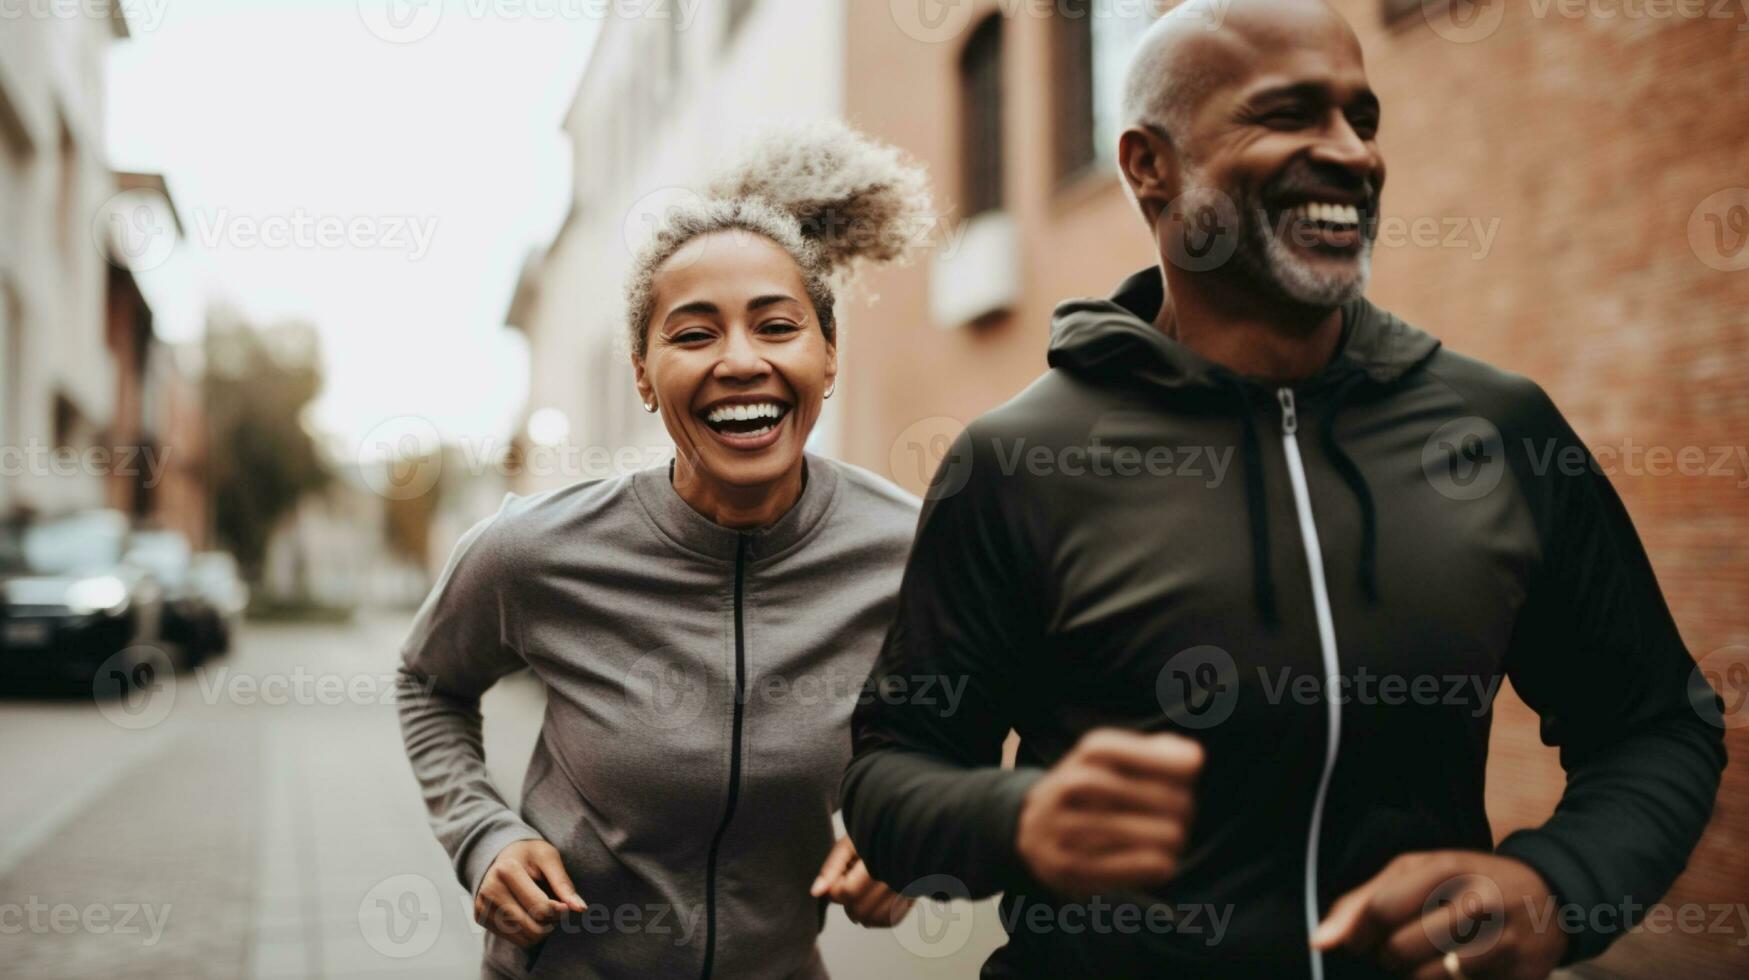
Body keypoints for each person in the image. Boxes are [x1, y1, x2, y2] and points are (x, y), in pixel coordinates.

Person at [840, 1, 1726, 978]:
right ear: (1148, 165)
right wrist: (1014, 818)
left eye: (1364, 118)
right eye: (1289, 114)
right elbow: (892, 771)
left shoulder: (1498, 431)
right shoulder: (1017, 459)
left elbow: (1657, 721)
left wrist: (1560, 884)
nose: (1353, 153)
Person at [397, 121, 932, 979]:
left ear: (828, 357)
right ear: (643, 375)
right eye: (692, 335)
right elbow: (427, 682)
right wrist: (482, 836)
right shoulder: (533, 551)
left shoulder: (908, 549)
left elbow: (968, 718)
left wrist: (911, 837)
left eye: (777, 326)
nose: (739, 361)